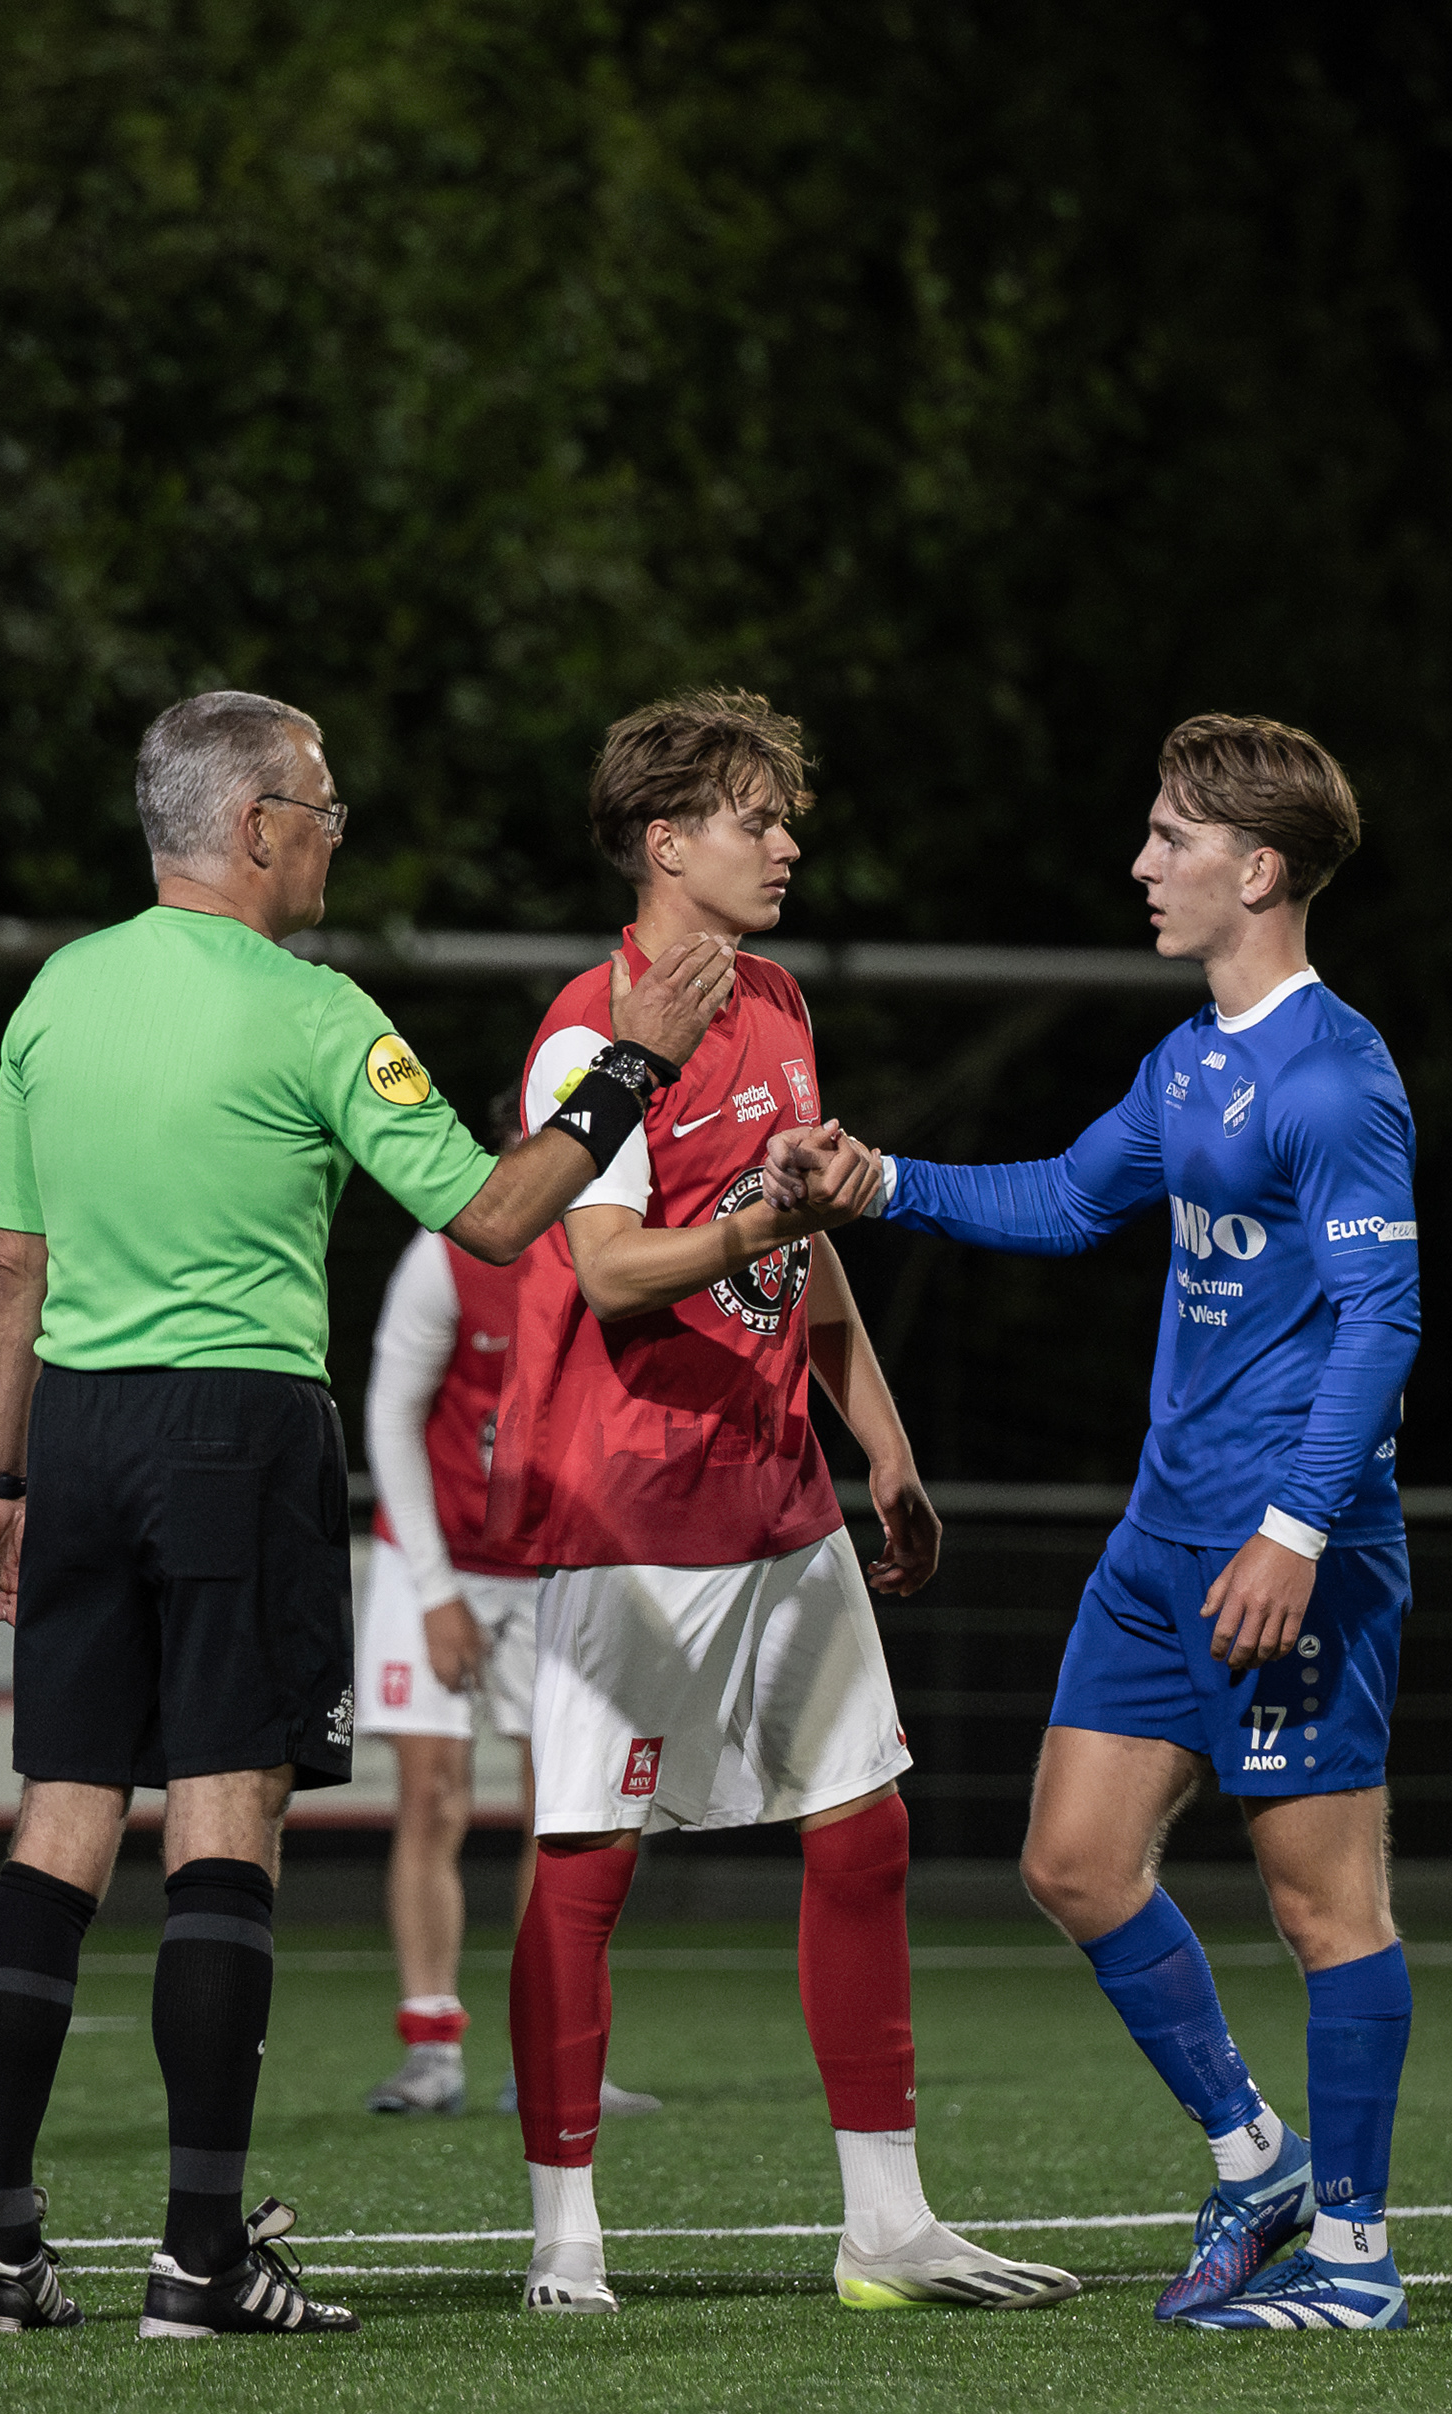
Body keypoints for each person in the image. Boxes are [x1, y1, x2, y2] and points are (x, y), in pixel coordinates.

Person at [0, 688, 730, 2342]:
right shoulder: (312, 1010)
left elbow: (12, 1265)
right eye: (321, 806)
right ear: (254, 827)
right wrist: (630, 1070)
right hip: (238, 1428)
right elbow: (496, 1214)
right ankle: (199, 2255)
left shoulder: (56, 993)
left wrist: (2, 1476)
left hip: (78, 1425)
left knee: (62, 1819)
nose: (334, 834)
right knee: (225, 1819)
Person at [771, 713, 1422, 2333]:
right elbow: (1068, 1198)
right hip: (1160, 1544)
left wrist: (1295, 1530)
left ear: (1256, 869)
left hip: (1291, 1554)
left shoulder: (1336, 1074)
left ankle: (1355, 2257)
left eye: (1170, 838)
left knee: (1324, 1909)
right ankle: (1256, 2159)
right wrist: (880, 1183)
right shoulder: (1192, 1057)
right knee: (1071, 1862)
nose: (1142, 863)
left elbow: (1382, 1319)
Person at [490, 689, 1076, 2318]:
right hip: (630, 1513)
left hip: (778, 1497)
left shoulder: (779, 999)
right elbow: (612, 1272)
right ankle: (563, 2239)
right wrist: (757, 1234)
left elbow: (800, 1239)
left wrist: (880, 1437)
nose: (788, 843)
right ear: (666, 841)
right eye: (757, 818)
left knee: (866, 1831)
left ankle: (887, 2224)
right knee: (586, 1865)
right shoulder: (587, 1032)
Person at [352, 1099, 654, 2123]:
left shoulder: (611, 1248)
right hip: (433, 1554)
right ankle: (430, 2046)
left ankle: (550, 2053)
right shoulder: (446, 1253)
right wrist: (437, 1594)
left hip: (550, 1563)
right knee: (433, 1799)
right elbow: (392, 1414)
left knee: (564, 1810)